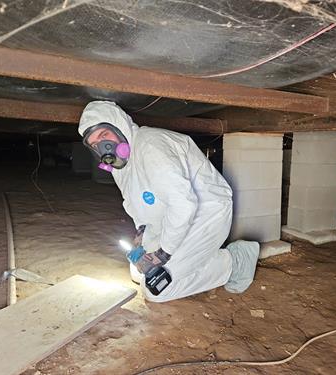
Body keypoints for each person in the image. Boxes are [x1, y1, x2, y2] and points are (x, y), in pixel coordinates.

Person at [79, 101, 259, 302]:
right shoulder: (121, 165)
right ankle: (195, 256)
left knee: (158, 288)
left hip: (205, 213)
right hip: (170, 216)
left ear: (119, 127)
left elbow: (184, 204)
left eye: (104, 135)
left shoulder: (151, 146)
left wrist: (163, 254)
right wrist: (141, 235)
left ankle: (235, 260)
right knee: (139, 272)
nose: (103, 147)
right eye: (95, 144)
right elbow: (133, 203)